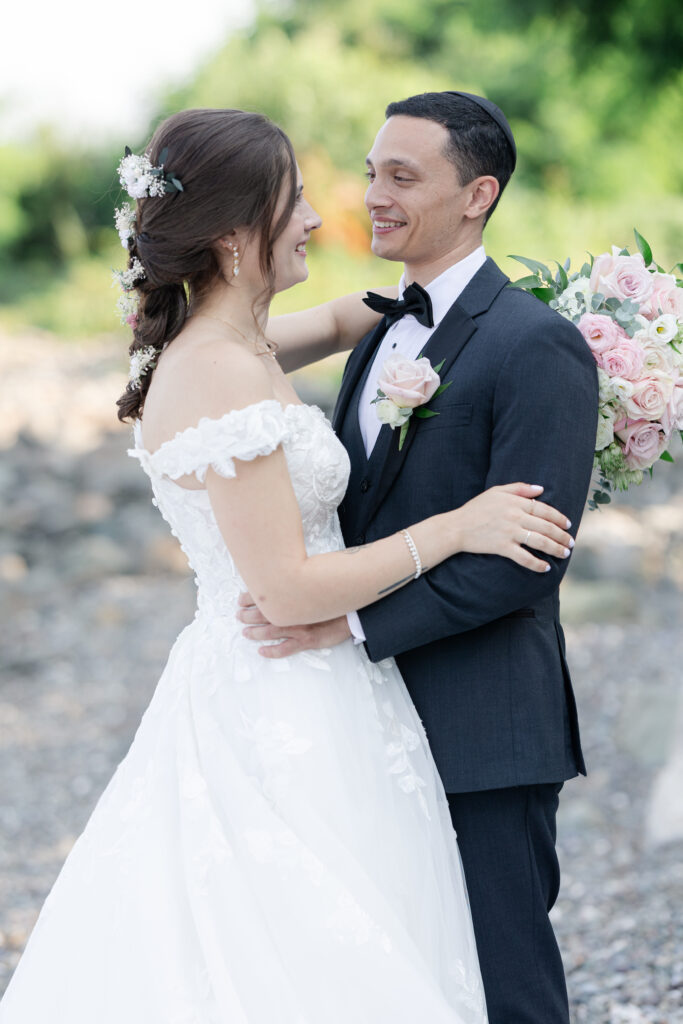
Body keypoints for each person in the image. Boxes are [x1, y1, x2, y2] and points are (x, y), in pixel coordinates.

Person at [0, 107, 575, 1024]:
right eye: (295, 201)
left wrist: (542, 323)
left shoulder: (246, 346)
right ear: (235, 236)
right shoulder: (219, 372)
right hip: (281, 684)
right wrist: (458, 524)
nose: (320, 217)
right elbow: (284, 590)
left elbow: (371, 313)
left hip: (310, 685)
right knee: (306, 945)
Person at [238, 93, 599, 1023]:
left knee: (505, 980)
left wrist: (344, 623)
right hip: (369, 722)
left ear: (477, 193)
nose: (374, 195)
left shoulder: (537, 345)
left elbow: (528, 559)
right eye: (369, 172)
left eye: (402, 176)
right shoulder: (378, 328)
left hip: (483, 720)